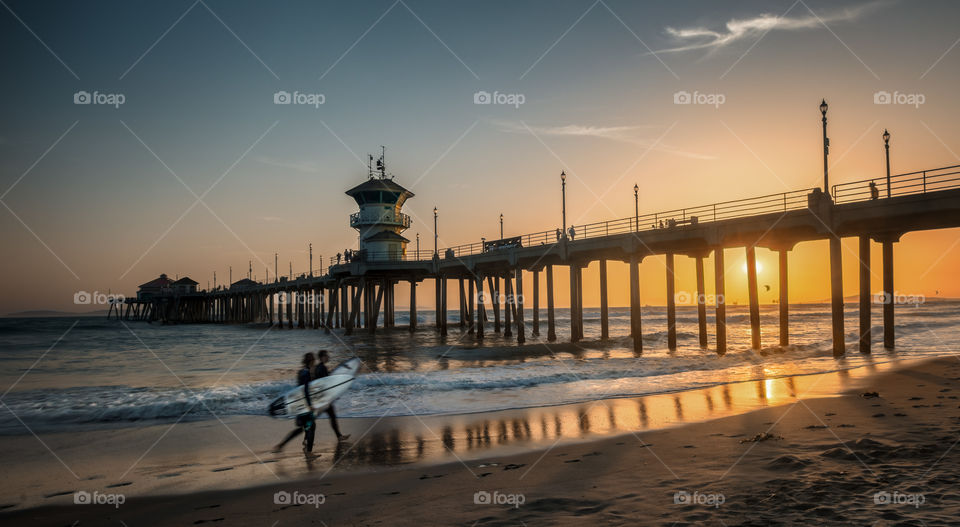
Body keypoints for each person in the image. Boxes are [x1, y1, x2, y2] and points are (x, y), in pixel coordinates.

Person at [274, 353, 319, 455]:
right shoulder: (307, 373)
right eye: (314, 361)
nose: (314, 363)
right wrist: (310, 404)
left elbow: (299, 388)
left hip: (299, 402)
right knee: (311, 426)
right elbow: (306, 390)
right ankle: (309, 452)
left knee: (303, 428)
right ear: (311, 361)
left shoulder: (301, 372)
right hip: (305, 404)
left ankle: (282, 445)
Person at [314, 350, 350, 442]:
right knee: (329, 416)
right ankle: (339, 436)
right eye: (326, 356)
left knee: (330, 416)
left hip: (321, 398)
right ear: (322, 357)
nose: (328, 357)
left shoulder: (319, 367)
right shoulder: (321, 368)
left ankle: (339, 436)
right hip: (323, 398)